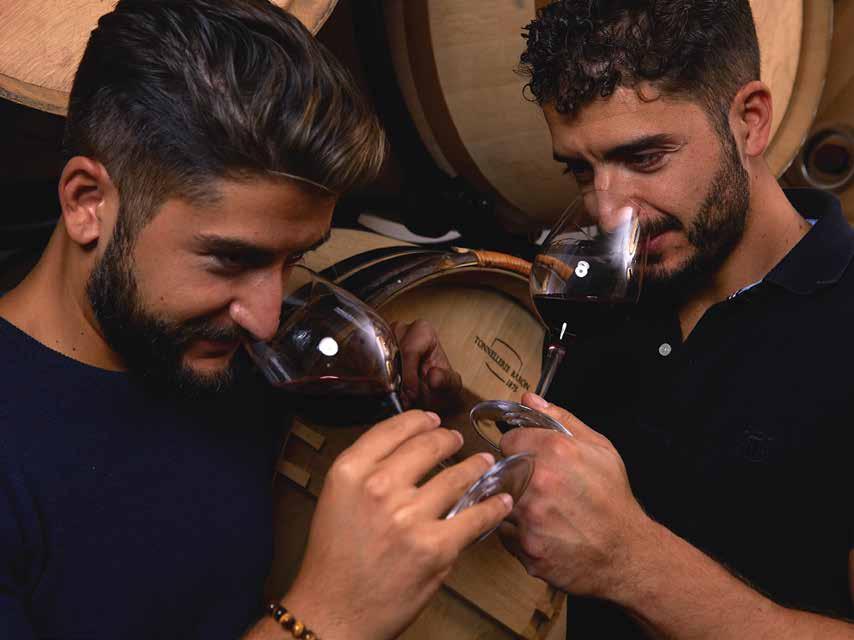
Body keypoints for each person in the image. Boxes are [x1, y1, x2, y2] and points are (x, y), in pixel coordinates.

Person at [0, 1, 512, 639]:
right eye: (232, 259)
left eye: (295, 259)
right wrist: (327, 617)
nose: (267, 320)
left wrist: (438, 413)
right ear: (87, 203)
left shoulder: (228, 361)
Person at [498, 1, 854, 638]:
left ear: (750, 121)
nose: (609, 213)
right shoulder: (609, 297)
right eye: (581, 169)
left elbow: (609, 545)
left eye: (644, 158)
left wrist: (629, 562)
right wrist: (448, 407)